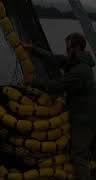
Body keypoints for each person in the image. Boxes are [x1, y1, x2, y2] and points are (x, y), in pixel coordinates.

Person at [23, 32, 96, 180]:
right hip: (82, 113)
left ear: (76, 48)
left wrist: (33, 81)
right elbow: (56, 59)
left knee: (79, 156)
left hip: (84, 119)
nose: (66, 52)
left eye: (68, 48)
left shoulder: (80, 71)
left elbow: (55, 86)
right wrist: (33, 49)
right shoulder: (78, 62)